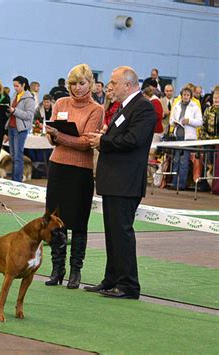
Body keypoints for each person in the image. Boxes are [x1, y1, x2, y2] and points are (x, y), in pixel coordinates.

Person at [87, 66, 156, 299]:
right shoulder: (123, 108)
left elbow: (133, 140)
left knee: (122, 233)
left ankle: (128, 285)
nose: (110, 88)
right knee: (112, 233)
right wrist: (105, 138)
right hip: (114, 181)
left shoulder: (144, 107)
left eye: (114, 83)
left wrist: (103, 141)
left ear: (128, 85)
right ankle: (111, 279)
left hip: (126, 181)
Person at [44, 64, 103, 289]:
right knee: (55, 221)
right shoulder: (60, 103)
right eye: (73, 84)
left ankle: (75, 272)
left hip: (81, 171)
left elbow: (86, 143)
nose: (77, 88)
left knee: (78, 222)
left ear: (90, 83)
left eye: (81, 83)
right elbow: (52, 137)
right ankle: (57, 269)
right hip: (57, 166)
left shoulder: (96, 109)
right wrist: (52, 135)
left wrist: (60, 135)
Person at [169, 86, 203, 190]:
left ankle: (181, 185)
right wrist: (174, 123)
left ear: (191, 96)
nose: (186, 97)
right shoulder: (177, 105)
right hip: (178, 136)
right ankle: (174, 183)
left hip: (188, 138)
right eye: (184, 95)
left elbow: (200, 122)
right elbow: (171, 119)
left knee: (184, 161)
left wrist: (189, 121)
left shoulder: (195, 107)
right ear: (181, 95)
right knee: (176, 160)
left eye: (188, 95)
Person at [6, 76, 35, 182]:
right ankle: (14, 178)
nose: (15, 88)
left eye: (17, 86)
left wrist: (14, 111)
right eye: (14, 86)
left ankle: (17, 180)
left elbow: (29, 115)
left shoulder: (29, 98)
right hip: (11, 128)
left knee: (18, 156)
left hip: (20, 130)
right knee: (13, 156)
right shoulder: (15, 95)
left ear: (23, 85)